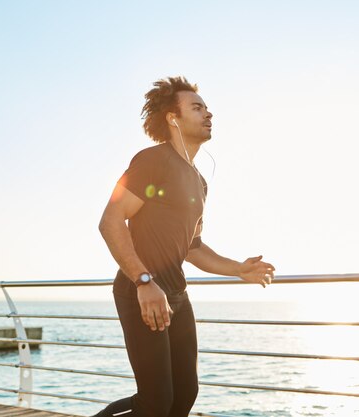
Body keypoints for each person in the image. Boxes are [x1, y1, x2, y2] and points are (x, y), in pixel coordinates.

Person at [94, 76, 275, 417]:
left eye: (206, 107)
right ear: (172, 118)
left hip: (176, 295)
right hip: (142, 292)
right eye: (196, 107)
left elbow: (193, 248)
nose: (208, 113)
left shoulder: (198, 180)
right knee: (155, 403)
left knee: (183, 397)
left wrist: (239, 269)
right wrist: (144, 282)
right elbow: (111, 221)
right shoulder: (152, 161)